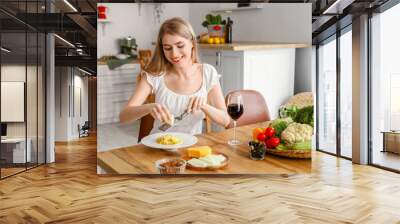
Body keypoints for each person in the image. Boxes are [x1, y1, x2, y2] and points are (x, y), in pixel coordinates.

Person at [120, 17, 230, 135]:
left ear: (192, 43)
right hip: (159, 146)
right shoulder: (154, 76)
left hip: (192, 148)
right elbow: (124, 116)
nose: (174, 54)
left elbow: (225, 120)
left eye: (180, 46)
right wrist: (149, 108)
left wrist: (205, 106)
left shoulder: (208, 73)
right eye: (167, 48)